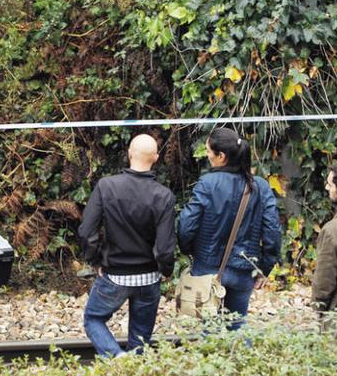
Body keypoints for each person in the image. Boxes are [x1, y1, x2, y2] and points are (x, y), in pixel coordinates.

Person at [78, 134, 176, 358]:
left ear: (129, 153)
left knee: (93, 319)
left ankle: (117, 357)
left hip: (115, 275)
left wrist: (95, 261)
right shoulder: (164, 196)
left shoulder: (106, 186)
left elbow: (86, 232)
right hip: (149, 277)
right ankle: (133, 370)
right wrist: (166, 271)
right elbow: (165, 248)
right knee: (140, 338)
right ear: (156, 158)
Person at [178, 127, 281, 329]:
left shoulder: (207, 184)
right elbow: (272, 231)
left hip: (207, 268)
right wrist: (265, 268)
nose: (207, 155)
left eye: (208, 151)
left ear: (221, 156)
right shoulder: (260, 186)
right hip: (244, 268)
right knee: (237, 326)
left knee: (209, 329)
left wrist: (191, 253)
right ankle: (242, 360)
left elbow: (186, 226)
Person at [311, 161, 337, 335]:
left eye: (330, 184)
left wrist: (317, 306)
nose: (326, 188)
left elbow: (324, 282)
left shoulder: (334, 230)